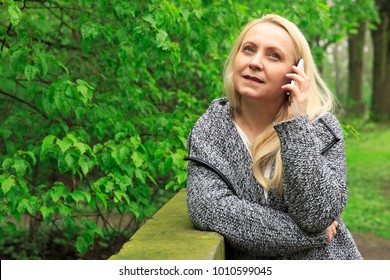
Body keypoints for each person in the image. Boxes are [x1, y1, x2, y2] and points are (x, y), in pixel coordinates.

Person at [185, 14, 362, 259]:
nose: (256, 62)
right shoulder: (212, 128)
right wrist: (314, 236)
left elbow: (317, 215)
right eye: (248, 49)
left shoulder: (323, 129)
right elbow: (209, 208)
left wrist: (295, 126)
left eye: (273, 55)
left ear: (295, 73)